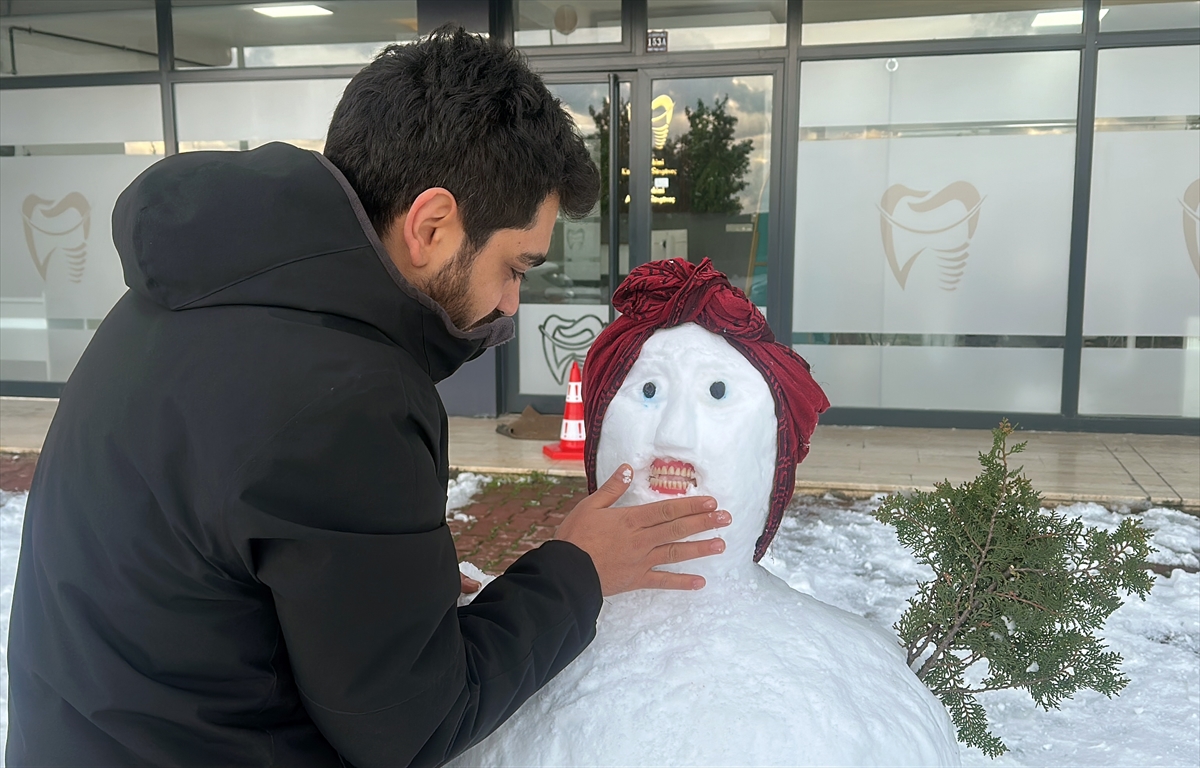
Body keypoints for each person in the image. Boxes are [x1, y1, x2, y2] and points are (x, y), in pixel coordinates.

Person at [4, 28, 730, 767]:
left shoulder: (187, 291)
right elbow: (412, 728)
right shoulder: (348, 396)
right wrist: (577, 568)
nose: (512, 304)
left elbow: (194, 555)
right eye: (517, 265)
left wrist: (362, 589)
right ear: (433, 226)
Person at [451, 259, 960, 767]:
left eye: (717, 393)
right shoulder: (502, 646)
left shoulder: (854, 695)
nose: (674, 433)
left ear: (771, 456)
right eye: (648, 391)